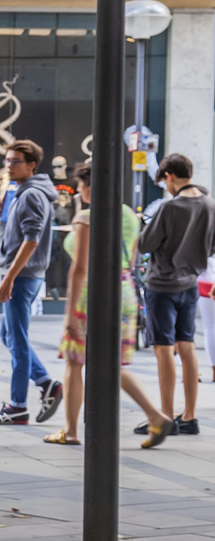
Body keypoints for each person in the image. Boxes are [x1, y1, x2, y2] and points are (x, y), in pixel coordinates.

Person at [50, 163, 169, 448]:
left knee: (74, 362)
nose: (79, 191)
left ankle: (71, 430)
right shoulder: (127, 214)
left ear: (90, 187)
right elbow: (130, 256)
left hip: (92, 293)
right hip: (124, 290)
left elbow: (80, 267)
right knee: (109, 362)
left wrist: (70, 313)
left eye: (81, 185)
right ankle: (155, 416)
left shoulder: (86, 218)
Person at [0, 140, 62, 426]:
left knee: (17, 340)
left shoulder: (31, 195)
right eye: (7, 160)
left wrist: (9, 278)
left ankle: (17, 406)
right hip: (23, 275)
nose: (9, 165)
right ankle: (45, 382)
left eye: (16, 161)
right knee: (9, 336)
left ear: (32, 165)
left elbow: (32, 239)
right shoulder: (25, 192)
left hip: (23, 277)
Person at [136, 153, 215, 436]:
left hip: (161, 286)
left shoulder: (170, 208)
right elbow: (212, 247)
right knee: (187, 345)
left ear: (169, 176)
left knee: (163, 349)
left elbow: (145, 244)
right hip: (190, 283)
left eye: (164, 182)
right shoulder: (209, 205)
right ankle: (190, 416)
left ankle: (165, 416)